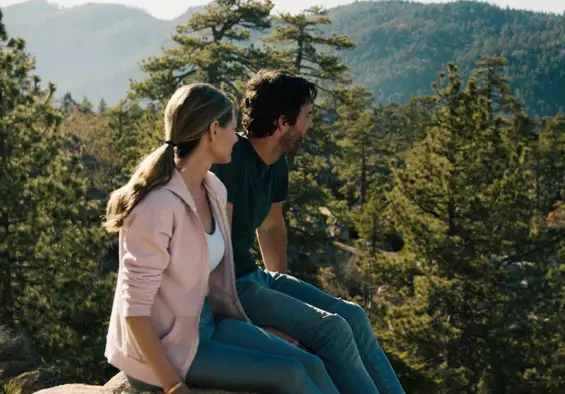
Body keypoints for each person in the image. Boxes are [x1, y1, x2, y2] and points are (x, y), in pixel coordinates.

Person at [103, 83, 339, 394]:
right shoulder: (156, 206)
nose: (237, 137)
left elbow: (214, 284)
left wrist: (255, 332)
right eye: (232, 127)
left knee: (310, 363)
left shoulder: (213, 188)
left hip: (209, 328)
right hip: (166, 352)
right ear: (214, 130)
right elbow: (135, 311)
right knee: (290, 373)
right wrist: (174, 386)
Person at [211, 70, 406, 394]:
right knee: (333, 330)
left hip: (255, 278)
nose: (310, 125)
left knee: (353, 316)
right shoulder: (232, 163)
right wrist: (264, 319)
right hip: (231, 285)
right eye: (307, 116)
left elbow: (271, 226)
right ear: (283, 122)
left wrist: (280, 297)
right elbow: (213, 253)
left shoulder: (276, 163)